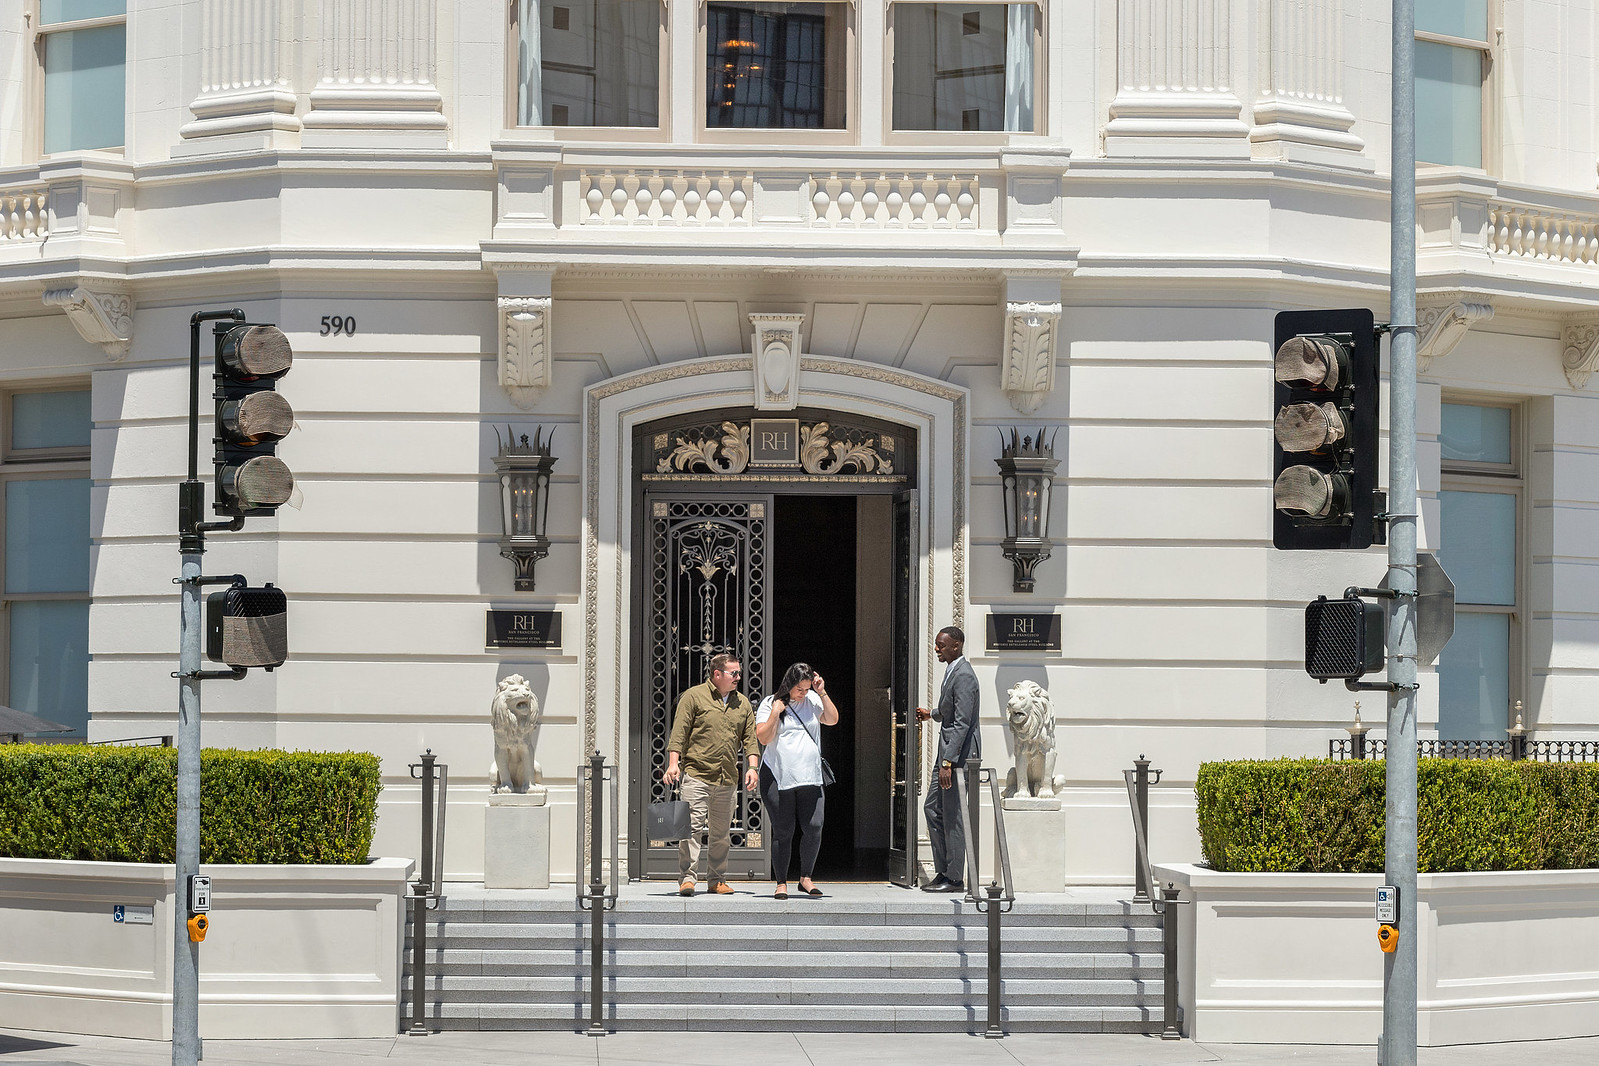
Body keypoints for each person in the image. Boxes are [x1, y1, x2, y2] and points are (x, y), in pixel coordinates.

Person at [661, 653, 759, 896]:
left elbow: (750, 739)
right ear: (717, 674)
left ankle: (717, 880)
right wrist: (673, 764)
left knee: (721, 834)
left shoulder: (742, 703)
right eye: (733, 673)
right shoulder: (693, 696)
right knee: (691, 831)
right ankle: (687, 879)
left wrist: (753, 768)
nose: (738, 677)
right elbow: (679, 733)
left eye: (739, 673)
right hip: (697, 775)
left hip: (727, 779)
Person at [754, 662, 840, 900]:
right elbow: (763, 737)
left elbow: (832, 719)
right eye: (799, 689)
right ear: (789, 684)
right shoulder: (770, 703)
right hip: (778, 775)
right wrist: (775, 713)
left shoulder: (813, 700)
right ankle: (781, 882)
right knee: (784, 830)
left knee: (814, 826)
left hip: (810, 776)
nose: (803, 693)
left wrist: (822, 692)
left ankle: (806, 878)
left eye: (806, 688)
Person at [915, 626, 980, 893]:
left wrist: (948, 763)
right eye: (936, 644)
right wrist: (931, 714)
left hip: (956, 758)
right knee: (933, 808)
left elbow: (963, 723)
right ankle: (943, 871)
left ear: (956, 646)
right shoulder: (953, 670)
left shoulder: (964, 675)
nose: (936, 649)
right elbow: (950, 710)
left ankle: (954, 879)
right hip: (947, 754)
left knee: (952, 816)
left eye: (941, 645)